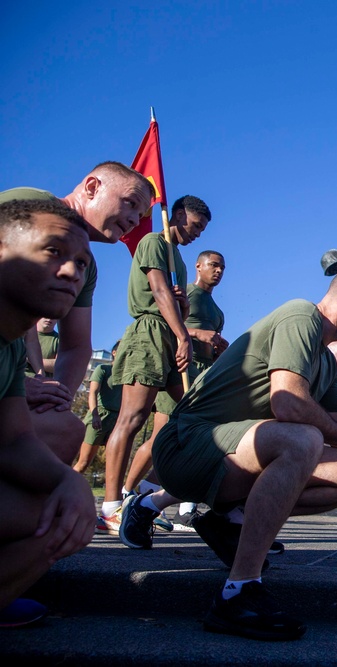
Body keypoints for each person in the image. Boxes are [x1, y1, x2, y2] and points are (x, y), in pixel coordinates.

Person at [149, 264, 337, 640]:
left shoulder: (324, 362)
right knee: (303, 440)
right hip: (188, 446)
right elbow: (289, 404)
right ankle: (238, 592)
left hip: (233, 456)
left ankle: (228, 520)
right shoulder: (301, 316)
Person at [0, 164, 154, 464]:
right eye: (131, 203)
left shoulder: (84, 267)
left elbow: (76, 345)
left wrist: (57, 400)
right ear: (93, 187)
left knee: (65, 429)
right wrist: (12, 384)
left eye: (141, 214)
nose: (136, 219)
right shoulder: (30, 206)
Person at [0, 199, 95, 627]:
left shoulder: (10, 345)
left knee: (62, 511)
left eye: (81, 263)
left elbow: (14, 439)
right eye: (53, 252)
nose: (73, 272)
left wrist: (68, 481)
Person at [100, 196, 211, 536]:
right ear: (177, 215)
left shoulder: (176, 255)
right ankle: (110, 508)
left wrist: (181, 307)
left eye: (202, 230)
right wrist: (183, 337)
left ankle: (144, 498)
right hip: (149, 334)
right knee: (132, 419)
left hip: (168, 334)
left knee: (192, 415)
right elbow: (158, 291)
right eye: (194, 226)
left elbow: (173, 300)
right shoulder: (153, 241)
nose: (197, 234)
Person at [120, 249, 228, 534]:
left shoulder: (217, 310)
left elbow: (211, 343)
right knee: (162, 435)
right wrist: (196, 335)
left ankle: (148, 495)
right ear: (199, 266)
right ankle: (125, 495)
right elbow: (170, 322)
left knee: (187, 441)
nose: (218, 271)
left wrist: (218, 350)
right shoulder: (188, 294)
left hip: (202, 377)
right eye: (214, 265)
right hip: (179, 370)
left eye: (222, 268)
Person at [73, 342, 122, 482]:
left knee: (114, 464)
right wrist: (95, 415)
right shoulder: (103, 369)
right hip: (100, 416)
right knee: (84, 462)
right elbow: (93, 392)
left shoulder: (127, 373)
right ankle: (64, 488)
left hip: (117, 419)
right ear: (114, 352)